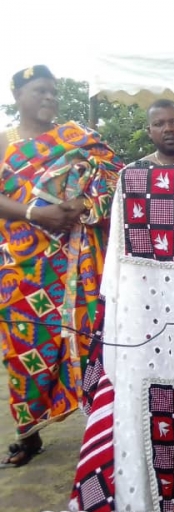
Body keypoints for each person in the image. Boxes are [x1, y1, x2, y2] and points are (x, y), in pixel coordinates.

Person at [0, 65, 123, 467]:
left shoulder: (77, 140)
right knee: (25, 347)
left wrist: (85, 205)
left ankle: (102, 425)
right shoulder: (4, 143)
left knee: (87, 335)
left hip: (76, 258)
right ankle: (29, 432)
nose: (50, 98)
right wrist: (39, 214)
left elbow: (112, 175)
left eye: (53, 91)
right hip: (22, 267)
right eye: (40, 91)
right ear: (17, 95)